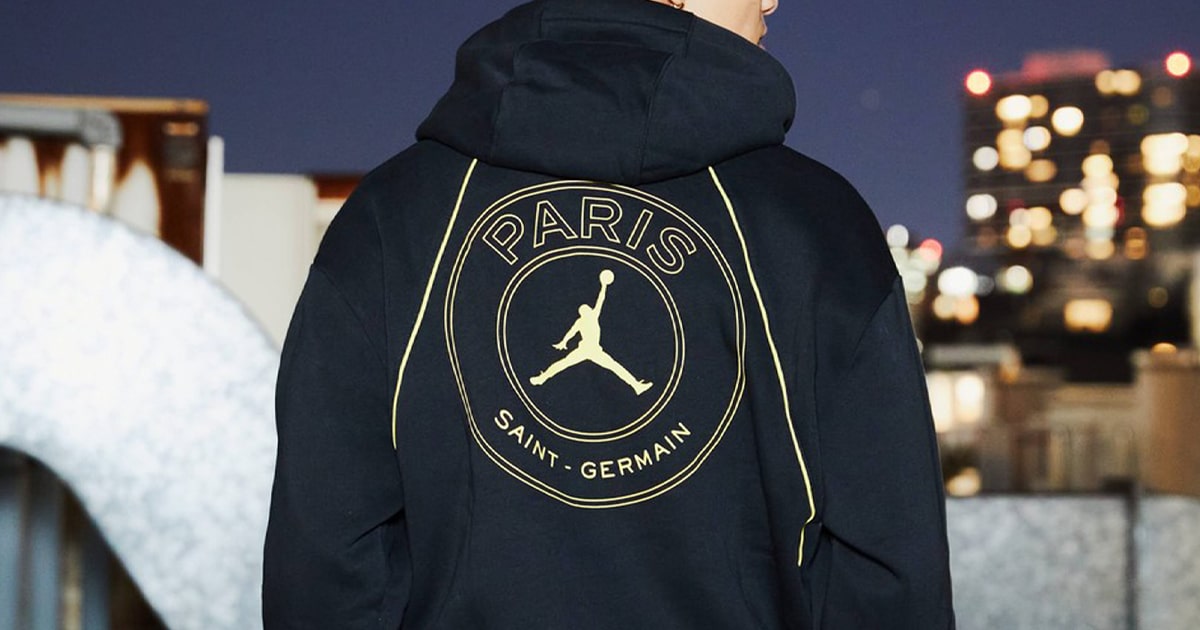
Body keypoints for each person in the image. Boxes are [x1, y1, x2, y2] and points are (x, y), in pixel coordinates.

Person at [262, 0, 956, 627]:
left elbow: (323, 563)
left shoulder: (391, 219)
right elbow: (889, 572)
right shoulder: (819, 228)